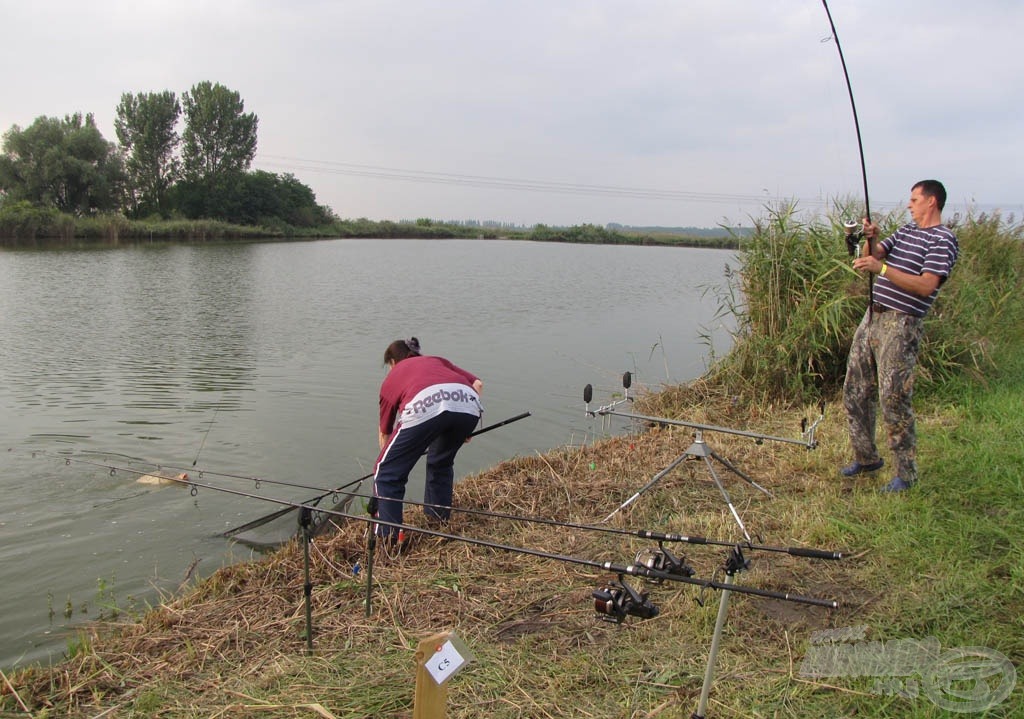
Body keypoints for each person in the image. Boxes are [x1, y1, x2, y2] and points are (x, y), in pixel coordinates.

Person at [841, 180, 959, 492]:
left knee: (893, 398)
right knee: (855, 389)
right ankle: (867, 459)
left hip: (901, 324)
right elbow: (874, 255)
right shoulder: (906, 231)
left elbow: (926, 286)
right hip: (872, 316)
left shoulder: (942, 239)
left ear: (931, 202)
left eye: (914, 198)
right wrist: (871, 238)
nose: (910, 204)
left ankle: (905, 474)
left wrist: (882, 269)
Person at [371, 337, 483, 541]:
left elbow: (384, 433)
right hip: (468, 404)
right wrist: (462, 430)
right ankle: (437, 522)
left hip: (425, 404)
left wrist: (392, 461)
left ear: (393, 362)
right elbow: (477, 384)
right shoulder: (437, 360)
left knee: (386, 473)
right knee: (440, 462)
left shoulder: (393, 377)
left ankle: (389, 539)